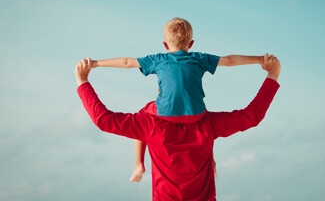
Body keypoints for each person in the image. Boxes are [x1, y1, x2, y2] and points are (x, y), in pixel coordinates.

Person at [75, 53, 281, 201]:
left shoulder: (149, 122)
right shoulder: (208, 124)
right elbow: (251, 116)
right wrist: (272, 75)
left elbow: (103, 120)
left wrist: (83, 80)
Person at [89, 17, 266, 182]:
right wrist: (259, 60)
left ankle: (138, 164)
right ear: (191, 43)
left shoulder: (158, 59)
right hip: (196, 114)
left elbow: (127, 62)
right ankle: (211, 162)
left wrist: (96, 63)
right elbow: (230, 61)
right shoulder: (199, 58)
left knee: (144, 113)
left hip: (167, 113)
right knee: (207, 126)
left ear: (165, 45)